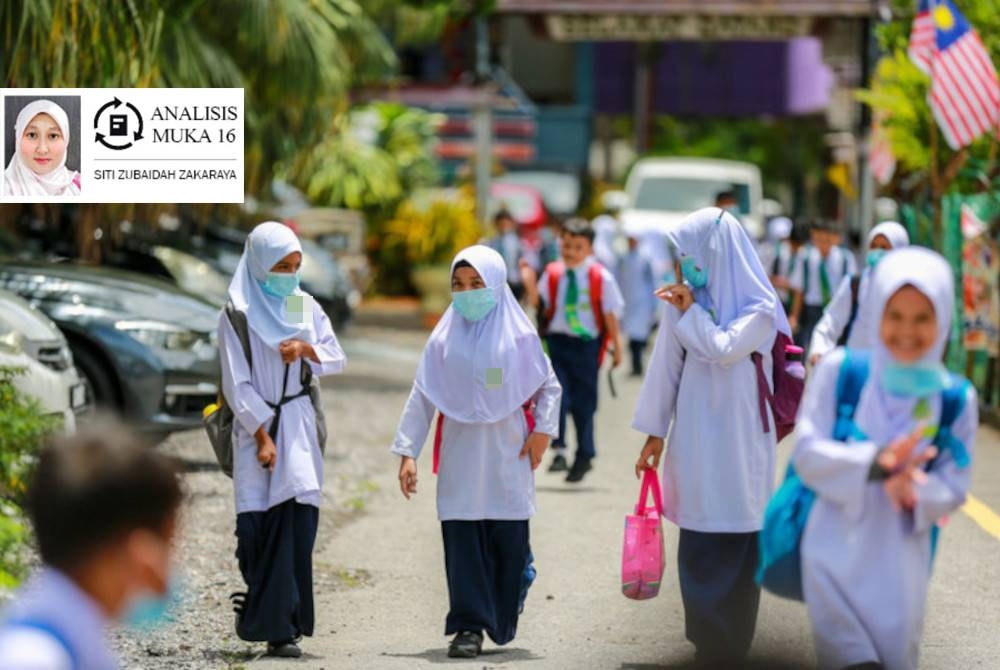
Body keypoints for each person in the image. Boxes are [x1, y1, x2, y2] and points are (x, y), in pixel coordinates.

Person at [792, 247, 978, 669]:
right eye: (895, 315)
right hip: (831, 563)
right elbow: (806, 453)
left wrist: (915, 490)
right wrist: (876, 464)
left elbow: (955, 484)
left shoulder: (955, 398)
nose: (907, 330)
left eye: (922, 317)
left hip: (901, 575)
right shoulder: (841, 372)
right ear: (876, 312)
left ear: (943, 320)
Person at [632, 207, 790, 665]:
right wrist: (654, 433)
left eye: (690, 254)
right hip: (697, 435)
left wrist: (692, 312)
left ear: (715, 251)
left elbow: (724, 348)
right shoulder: (684, 302)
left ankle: (733, 643)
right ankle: (706, 641)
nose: (685, 264)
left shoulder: (760, 307)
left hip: (743, 441)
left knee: (740, 532)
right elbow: (665, 367)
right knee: (699, 529)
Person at [391, 245, 561, 659]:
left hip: (509, 455)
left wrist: (543, 431)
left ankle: (507, 597)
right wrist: (408, 452)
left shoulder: (520, 337)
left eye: (476, 284)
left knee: (508, 548)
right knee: (463, 541)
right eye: (459, 285)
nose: (467, 293)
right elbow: (423, 394)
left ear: (497, 285)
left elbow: (548, 386)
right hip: (461, 457)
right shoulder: (443, 340)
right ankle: (467, 627)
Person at [219, 221, 347, 659]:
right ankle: (259, 608)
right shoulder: (236, 314)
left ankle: (283, 628)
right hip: (255, 429)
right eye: (281, 267)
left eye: (295, 266)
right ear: (258, 265)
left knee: (296, 526)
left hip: (298, 426)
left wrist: (306, 350)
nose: (290, 276)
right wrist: (261, 435)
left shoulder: (302, 306)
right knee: (254, 529)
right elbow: (236, 383)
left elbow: (336, 356)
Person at [0, 420, 184, 670]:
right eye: (168, 543)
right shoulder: (34, 659)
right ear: (139, 549)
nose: (171, 565)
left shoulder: (69, 639)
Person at [524, 218, 625, 482]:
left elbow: (610, 314)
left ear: (590, 249)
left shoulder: (601, 277)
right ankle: (559, 450)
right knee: (557, 396)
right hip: (557, 342)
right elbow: (539, 303)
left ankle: (585, 454)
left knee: (584, 403)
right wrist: (529, 282)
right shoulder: (553, 273)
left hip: (586, 346)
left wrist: (617, 346)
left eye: (577, 247)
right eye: (566, 245)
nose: (570, 252)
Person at [808, 221, 910, 366]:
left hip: (893, 369)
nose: (877, 252)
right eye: (873, 246)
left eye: (884, 247)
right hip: (855, 367)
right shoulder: (856, 283)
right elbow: (831, 320)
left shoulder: (909, 290)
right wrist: (819, 350)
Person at [788, 220, 857, 349]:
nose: (823, 243)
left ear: (836, 238)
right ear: (813, 237)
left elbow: (852, 288)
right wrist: (794, 316)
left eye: (827, 239)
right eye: (819, 239)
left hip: (837, 307)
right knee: (811, 346)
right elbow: (799, 290)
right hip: (812, 310)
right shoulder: (805, 257)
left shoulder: (846, 258)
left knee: (835, 347)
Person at [3, 99, 81, 197]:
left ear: (66, 140)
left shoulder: (79, 186)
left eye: (53, 136)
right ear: (18, 140)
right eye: (32, 135)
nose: (42, 150)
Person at [617, 233, 659, 376]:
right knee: (632, 335)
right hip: (628, 302)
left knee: (639, 335)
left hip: (642, 301)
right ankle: (635, 365)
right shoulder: (623, 258)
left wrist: (653, 302)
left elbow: (652, 281)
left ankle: (638, 364)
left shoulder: (645, 258)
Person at [769, 221, 810, 314]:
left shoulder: (804, 256)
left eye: (800, 245)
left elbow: (799, 288)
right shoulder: (777, 252)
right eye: (794, 244)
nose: (797, 248)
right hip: (777, 300)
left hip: (795, 303)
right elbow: (765, 276)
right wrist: (780, 282)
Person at [486, 209, 527, 301]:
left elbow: (523, 262)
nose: (503, 226)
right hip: (497, 283)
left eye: (506, 223)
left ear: (511, 224)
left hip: (514, 281)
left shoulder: (517, 242)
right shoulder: (492, 243)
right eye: (500, 224)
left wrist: (525, 283)